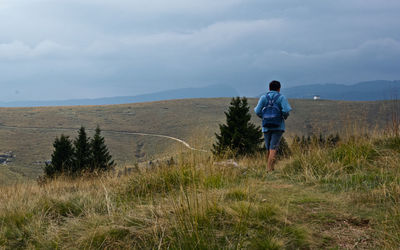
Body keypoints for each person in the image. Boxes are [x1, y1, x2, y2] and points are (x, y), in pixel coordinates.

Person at [254, 80, 292, 171]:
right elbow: (286, 110)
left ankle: (270, 167)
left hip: (266, 126)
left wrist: (264, 117)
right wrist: (283, 116)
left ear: (269, 88)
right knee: (273, 147)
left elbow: (257, 111)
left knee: (268, 147)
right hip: (278, 126)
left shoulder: (263, 97)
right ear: (279, 89)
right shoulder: (281, 97)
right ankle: (269, 169)